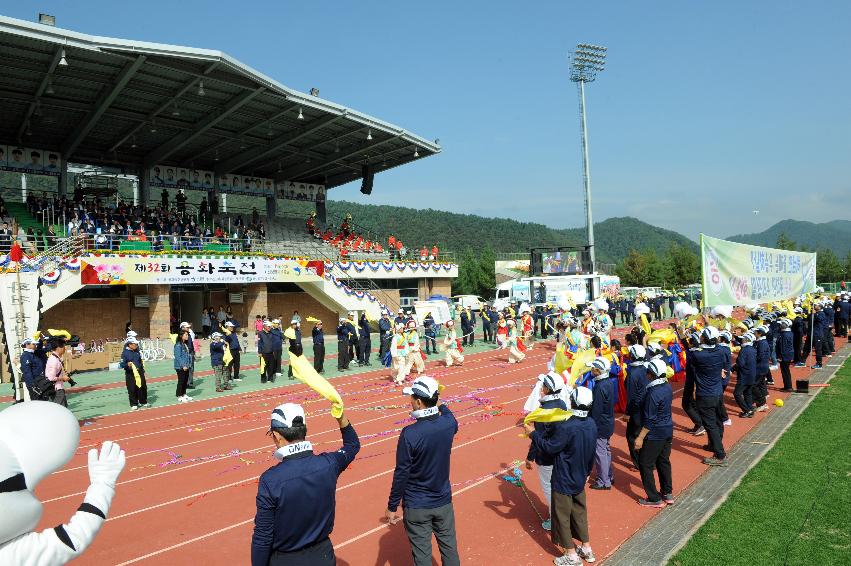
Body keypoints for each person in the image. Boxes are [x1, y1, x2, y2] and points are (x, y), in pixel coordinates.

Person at [251, 403, 360, 565]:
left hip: (286, 560)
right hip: (323, 556)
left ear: (277, 435)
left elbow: (263, 536)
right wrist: (341, 417)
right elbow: (352, 445)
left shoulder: (271, 480)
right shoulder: (329, 464)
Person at [386, 377, 460, 566]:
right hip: (443, 502)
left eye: (412, 398)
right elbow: (446, 412)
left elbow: (401, 473)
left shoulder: (410, 433)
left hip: (417, 505)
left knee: (422, 557)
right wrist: (439, 404)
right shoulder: (449, 423)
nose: (410, 401)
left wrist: (392, 505)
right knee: (450, 550)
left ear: (419, 402)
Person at [524, 387, 597, 566]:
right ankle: (586, 548)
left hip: (564, 477)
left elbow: (550, 447)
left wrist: (532, 434)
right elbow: (592, 452)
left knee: (561, 515)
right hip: (580, 475)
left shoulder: (568, 426)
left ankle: (571, 555)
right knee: (579, 512)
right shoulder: (591, 424)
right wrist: (587, 473)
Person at [525, 372, 568, 531]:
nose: (541, 388)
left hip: (547, 457)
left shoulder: (543, 411)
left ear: (548, 389)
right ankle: (561, 514)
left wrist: (530, 457)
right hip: (562, 454)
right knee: (559, 486)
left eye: (543, 386)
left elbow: (538, 439)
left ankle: (555, 520)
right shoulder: (562, 404)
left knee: (550, 488)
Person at [634, 358, 674, 507]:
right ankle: (667, 492)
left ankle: (654, 498)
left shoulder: (653, 393)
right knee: (663, 461)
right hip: (667, 429)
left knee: (645, 464)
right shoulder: (667, 386)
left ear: (650, 375)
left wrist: (640, 438)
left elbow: (649, 420)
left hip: (655, 433)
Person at [691, 327, 728, 466]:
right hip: (717, 392)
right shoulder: (720, 351)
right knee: (717, 422)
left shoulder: (698, 355)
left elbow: (692, 353)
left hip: (705, 394)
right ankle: (713, 445)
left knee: (710, 425)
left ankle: (720, 455)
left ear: (704, 339)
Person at [587, 357, 616, 490]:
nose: (591, 370)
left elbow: (597, 410)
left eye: (592, 368)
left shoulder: (599, 387)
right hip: (608, 421)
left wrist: (590, 425)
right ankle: (609, 475)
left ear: (597, 370)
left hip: (600, 424)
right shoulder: (609, 382)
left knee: (600, 452)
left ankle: (603, 481)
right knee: (606, 450)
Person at [624, 344, 648, 469]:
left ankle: (639, 463)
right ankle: (648, 459)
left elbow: (631, 396)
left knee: (632, 436)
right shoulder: (646, 367)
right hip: (647, 406)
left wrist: (628, 412)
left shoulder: (632, 373)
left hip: (636, 410)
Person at [119, 338, 148, 410]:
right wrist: (127, 364)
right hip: (130, 373)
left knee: (143, 387)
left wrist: (143, 371)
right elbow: (121, 364)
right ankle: (134, 403)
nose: (136, 345)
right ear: (130, 344)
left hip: (139, 372)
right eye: (135, 344)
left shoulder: (137, 351)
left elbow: (140, 361)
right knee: (132, 388)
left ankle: (143, 401)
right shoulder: (125, 353)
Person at [733, 332, 757, 417]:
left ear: (746, 339)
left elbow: (740, 364)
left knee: (737, 393)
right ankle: (750, 408)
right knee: (748, 393)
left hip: (744, 376)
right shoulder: (753, 349)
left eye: (743, 338)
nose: (742, 339)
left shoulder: (744, 350)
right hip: (751, 375)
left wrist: (733, 368)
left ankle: (747, 411)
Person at [174, 330, 194, 404]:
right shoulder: (178, 345)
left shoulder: (184, 344)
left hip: (186, 365)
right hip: (180, 366)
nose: (187, 336)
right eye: (186, 335)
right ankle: (179, 396)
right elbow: (178, 356)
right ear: (181, 336)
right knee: (181, 380)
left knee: (185, 380)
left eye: (187, 335)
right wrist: (183, 365)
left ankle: (184, 394)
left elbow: (187, 355)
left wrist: (188, 364)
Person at [777, 318, 795, 392]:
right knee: (786, 371)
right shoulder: (788, 333)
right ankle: (787, 386)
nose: (780, 325)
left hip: (785, 356)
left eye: (782, 324)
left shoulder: (784, 335)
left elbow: (783, 347)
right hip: (788, 355)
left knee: (785, 371)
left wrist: (781, 356)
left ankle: (788, 387)